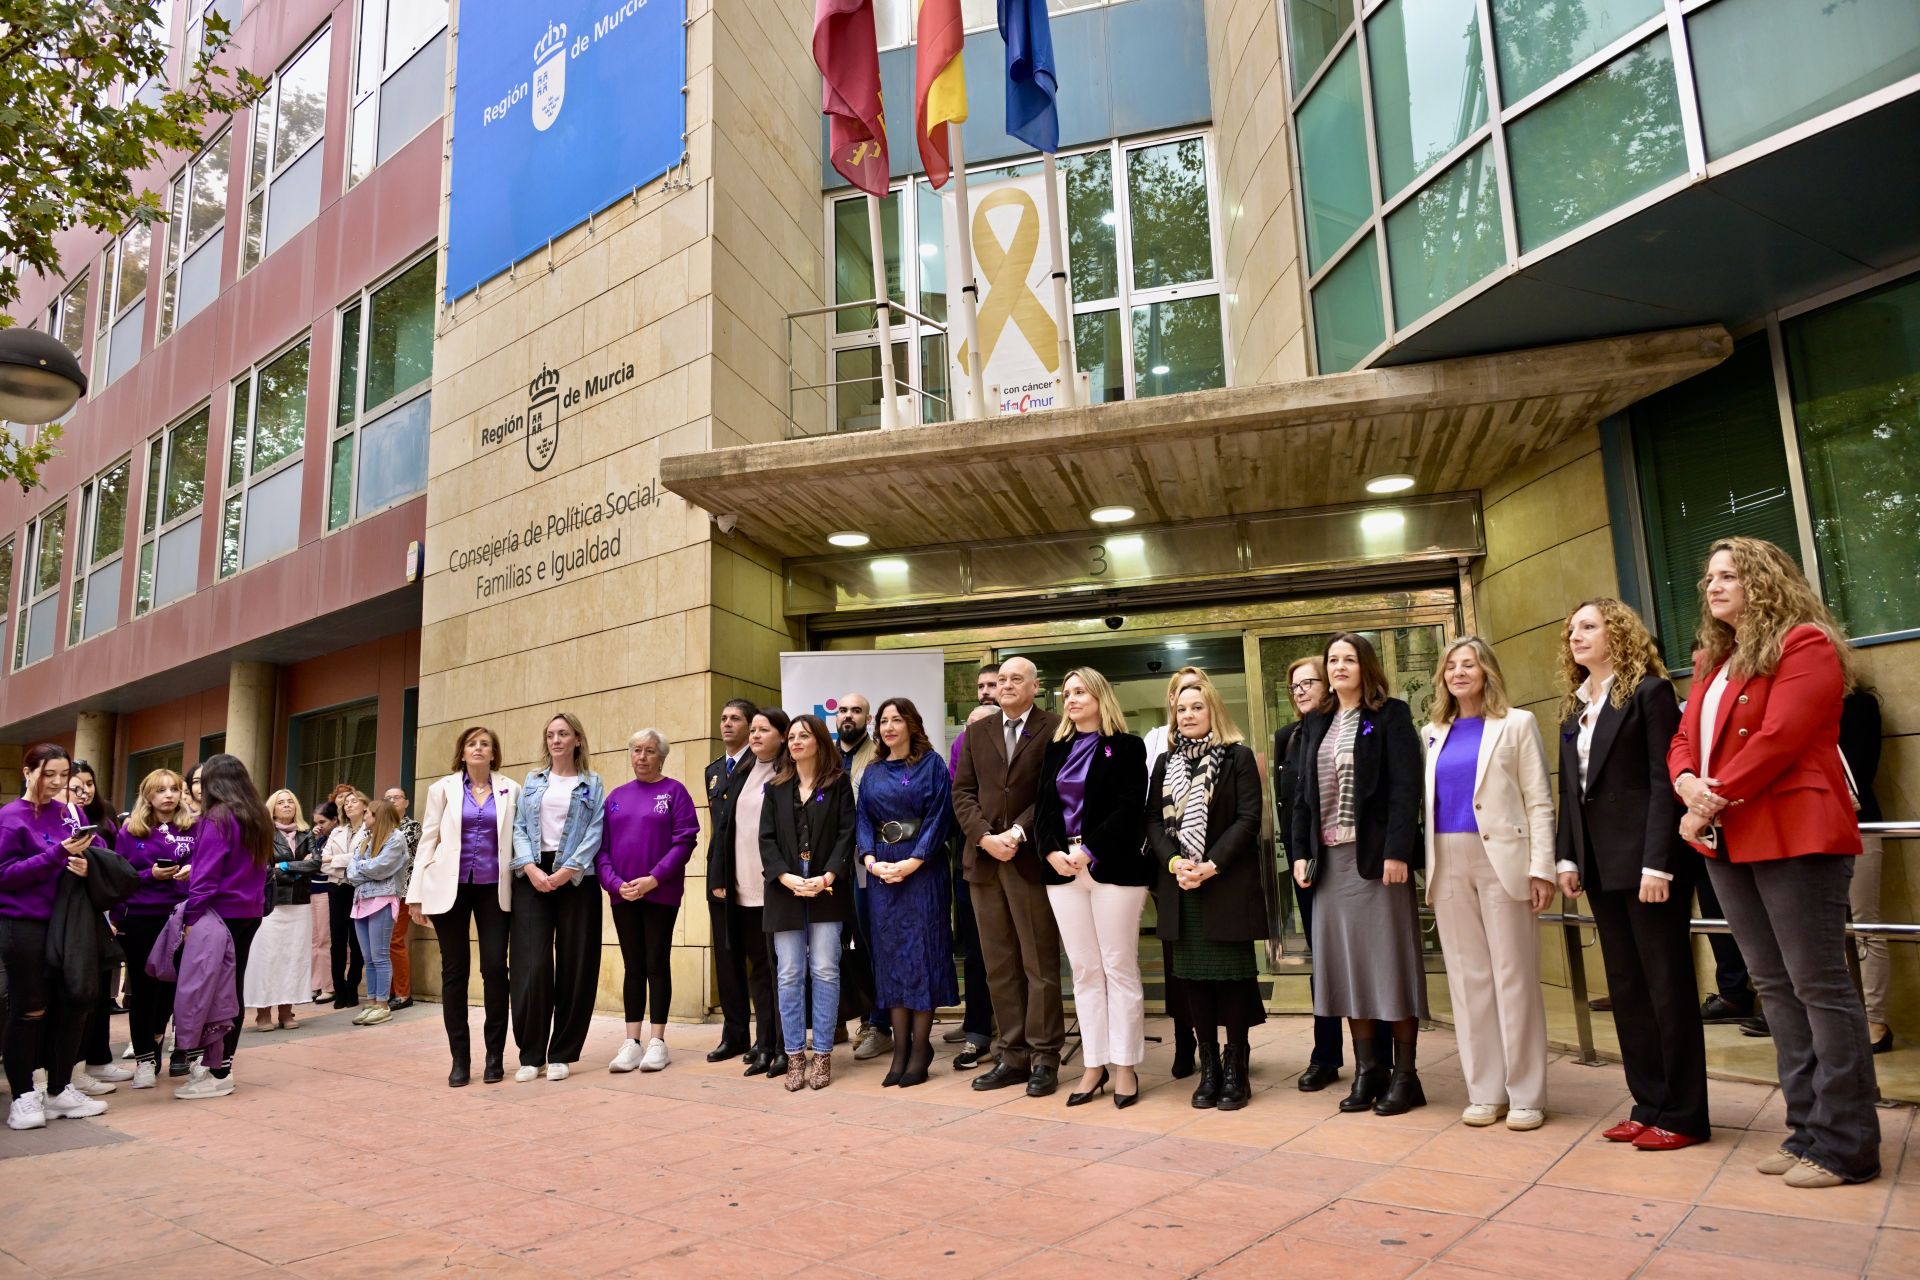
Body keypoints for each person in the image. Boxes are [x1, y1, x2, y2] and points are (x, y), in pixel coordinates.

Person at [1670, 536, 1877, 1188]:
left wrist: (1708, 801)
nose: (1714, 586)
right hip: (1731, 838)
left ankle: (1846, 1145)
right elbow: (1682, 740)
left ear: (1764, 579)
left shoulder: (1805, 643)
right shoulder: (1713, 659)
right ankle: (1805, 1131)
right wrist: (1685, 786)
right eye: (1709, 577)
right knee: (1774, 986)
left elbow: (1781, 736)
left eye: (1729, 574)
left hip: (1797, 831)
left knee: (1819, 986)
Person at [1555, 598, 1708, 1150]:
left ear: (1617, 633)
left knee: (1666, 986)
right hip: (1599, 868)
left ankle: (1685, 1114)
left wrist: (1657, 863)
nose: (1576, 636)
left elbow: (1662, 783)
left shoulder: (1650, 692)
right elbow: (1570, 791)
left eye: (1589, 626)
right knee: (1626, 988)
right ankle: (1647, 1103)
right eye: (1573, 628)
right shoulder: (1576, 707)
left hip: (1648, 866)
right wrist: (1568, 857)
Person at [1288, 632, 1427, 1117]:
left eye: (1349, 658)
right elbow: (1305, 797)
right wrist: (1302, 852)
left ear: (1365, 665)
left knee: (1389, 966)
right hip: (1331, 865)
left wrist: (1398, 851)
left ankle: (1406, 1075)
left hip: (1376, 864)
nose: (1340, 666)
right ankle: (1369, 1070)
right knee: (1348, 971)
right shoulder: (1316, 723)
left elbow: (1406, 787)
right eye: (1333, 659)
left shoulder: (1389, 714)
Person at [1422, 637, 1555, 1131]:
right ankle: (1484, 1091)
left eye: (1468, 664)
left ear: (1487, 672)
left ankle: (1526, 1095)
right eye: (1451, 666)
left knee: (1513, 977)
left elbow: (1538, 800)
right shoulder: (1431, 732)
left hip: (1503, 859)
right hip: (1447, 858)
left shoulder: (1517, 724)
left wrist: (1541, 866)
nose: (1458, 672)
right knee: (1467, 979)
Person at [1148, 670, 1267, 1110]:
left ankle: (1237, 1066)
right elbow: (1153, 822)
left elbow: (1248, 820)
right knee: (1193, 982)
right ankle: (1210, 1065)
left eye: (1197, 706)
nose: (1189, 714)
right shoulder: (1165, 763)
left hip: (1225, 883)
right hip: (1181, 885)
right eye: (1181, 709)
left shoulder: (1236, 756)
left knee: (1233, 982)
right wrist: (1177, 863)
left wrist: (1211, 865)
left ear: (1212, 709)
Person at [953, 656, 1066, 1097]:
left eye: (1016, 679)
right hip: (984, 862)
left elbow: (1053, 790)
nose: (1006, 685)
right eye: (1001, 680)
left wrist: (1017, 832)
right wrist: (984, 836)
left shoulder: (1055, 728)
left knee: (1039, 964)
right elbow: (961, 792)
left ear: (1035, 686)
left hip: (1027, 858)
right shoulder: (976, 732)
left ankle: (1044, 1057)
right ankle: (1012, 1055)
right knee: (999, 965)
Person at [1035, 668, 1148, 1108]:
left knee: (1118, 967)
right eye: (1066, 693)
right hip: (1061, 871)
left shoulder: (1125, 746)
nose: (1071, 699)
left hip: (1112, 869)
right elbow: (1043, 809)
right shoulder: (1056, 748)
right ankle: (1094, 1065)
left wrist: (1090, 850)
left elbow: (1129, 809)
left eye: (1080, 691)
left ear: (1101, 695)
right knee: (1084, 970)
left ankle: (1125, 1067)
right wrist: (1050, 852)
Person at [2, 745, 112, 1129]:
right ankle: (23, 1096)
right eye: (48, 774)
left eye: (63, 775)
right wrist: (58, 855)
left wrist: (87, 863)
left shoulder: (71, 813)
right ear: (28, 771)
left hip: (70, 922)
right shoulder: (10, 818)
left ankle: (59, 1089)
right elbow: (5, 876)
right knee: (30, 1009)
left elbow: (100, 854)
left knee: (74, 1002)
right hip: (24, 924)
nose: (57, 783)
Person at [407, 727, 519, 1087]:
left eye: (485, 744)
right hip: (448, 889)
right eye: (472, 743)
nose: (478, 748)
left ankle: (494, 1057)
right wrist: (415, 894)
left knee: (494, 970)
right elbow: (428, 839)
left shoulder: (510, 789)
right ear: (463, 752)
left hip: (493, 891)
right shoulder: (442, 789)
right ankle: (460, 1059)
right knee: (454, 973)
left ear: (493, 753)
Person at [860, 697, 958, 1088]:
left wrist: (914, 861)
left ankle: (920, 1049)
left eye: (896, 720)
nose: (888, 727)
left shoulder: (931, 765)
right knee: (891, 959)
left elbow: (940, 816)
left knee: (922, 956)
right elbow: (863, 818)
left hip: (923, 871)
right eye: (883, 721)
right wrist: (870, 860)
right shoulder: (873, 771)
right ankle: (899, 1050)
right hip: (883, 871)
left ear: (912, 724)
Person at [510, 712, 606, 1082]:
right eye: (550, 734)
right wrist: (531, 869)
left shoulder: (592, 783)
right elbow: (519, 826)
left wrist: (568, 870)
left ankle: (563, 1051)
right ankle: (531, 1054)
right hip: (532, 874)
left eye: (563, 734)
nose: (556, 740)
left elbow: (596, 830)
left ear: (577, 739)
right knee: (531, 965)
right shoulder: (532, 781)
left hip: (577, 878)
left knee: (575, 963)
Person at [762, 715, 856, 1090]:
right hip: (784, 888)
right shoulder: (776, 788)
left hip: (826, 888)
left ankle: (824, 1055)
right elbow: (766, 840)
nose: (796, 741)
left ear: (819, 740)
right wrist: (786, 877)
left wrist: (828, 876)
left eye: (804, 735)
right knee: (788, 973)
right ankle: (795, 1055)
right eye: (792, 737)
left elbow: (846, 835)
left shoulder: (838, 784)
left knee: (825, 969)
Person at [173, 753, 274, 1100]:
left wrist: (190, 918)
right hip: (249, 912)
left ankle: (218, 1071)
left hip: (219, 914)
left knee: (213, 990)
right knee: (232, 988)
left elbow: (205, 876)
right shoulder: (256, 815)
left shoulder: (217, 818)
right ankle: (221, 1065)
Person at [601, 729, 698, 1076]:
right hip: (623, 894)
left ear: (662, 757)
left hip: (660, 893)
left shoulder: (675, 793)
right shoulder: (615, 797)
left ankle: (657, 1041)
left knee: (656, 962)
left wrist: (654, 878)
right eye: (637, 751)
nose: (642, 757)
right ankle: (631, 1041)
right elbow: (603, 849)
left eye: (650, 751)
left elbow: (685, 842)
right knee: (633, 964)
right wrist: (615, 883)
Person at [1272, 657, 1344, 1092]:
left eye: (1308, 683)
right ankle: (1326, 1056)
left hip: (1349, 860)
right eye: (1294, 686)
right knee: (1323, 962)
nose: (1299, 691)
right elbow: (1289, 806)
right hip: (1309, 865)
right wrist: (1298, 855)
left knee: (1356, 961)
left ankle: (1380, 1055)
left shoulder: (1344, 728)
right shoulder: (1288, 737)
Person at [708, 708, 791, 1078]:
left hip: (774, 886)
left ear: (782, 735)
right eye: (753, 730)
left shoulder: (787, 772)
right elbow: (725, 829)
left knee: (777, 971)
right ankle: (764, 1044)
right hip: (741, 887)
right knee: (758, 971)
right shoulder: (741, 773)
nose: (755, 736)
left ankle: (780, 1046)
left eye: (763, 730)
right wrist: (721, 876)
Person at [115, 769, 195, 1087]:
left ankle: (163, 1042)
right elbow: (120, 876)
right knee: (145, 990)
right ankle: (145, 1060)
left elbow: (211, 865)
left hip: (181, 916)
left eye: (174, 789)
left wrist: (194, 870)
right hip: (142, 918)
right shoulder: (131, 831)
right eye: (161, 790)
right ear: (148, 795)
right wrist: (151, 875)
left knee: (173, 989)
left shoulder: (194, 828)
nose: (169, 795)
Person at [66, 761, 131, 1096]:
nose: (84, 791)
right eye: (76, 785)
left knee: (101, 992)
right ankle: (71, 1069)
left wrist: (117, 913)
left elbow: (115, 867)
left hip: (104, 916)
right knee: (79, 994)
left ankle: (98, 1059)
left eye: (88, 784)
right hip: (70, 918)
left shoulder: (104, 819)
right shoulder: (58, 820)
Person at [703, 698, 758, 1063]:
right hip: (719, 873)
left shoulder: (761, 766)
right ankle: (734, 1033)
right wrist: (717, 875)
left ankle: (766, 1037)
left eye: (735, 718)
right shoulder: (712, 770)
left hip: (752, 873)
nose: (727, 724)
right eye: (723, 718)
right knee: (727, 958)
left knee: (758, 958)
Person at [945, 701, 998, 1068]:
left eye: (985, 724)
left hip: (1019, 861)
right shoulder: (958, 767)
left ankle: (1020, 1035)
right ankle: (977, 1032)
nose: (974, 732)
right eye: (970, 726)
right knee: (977, 954)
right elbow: (956, 807)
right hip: (972, 866)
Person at [835, 693, 887, 1061]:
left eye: (856, 710)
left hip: (865, 866)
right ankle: (835, 1020)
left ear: (868, 719)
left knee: (869, 945)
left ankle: (876, 1023)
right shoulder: (824, 755)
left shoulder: (879, 756)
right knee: (830, 948)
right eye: (842, 711)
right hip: (826, 870)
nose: (848, 716)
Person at [1839, 688, 1891, 1054]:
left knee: (1865, 924)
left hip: (1857, 822)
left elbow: (1861, 769)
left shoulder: (1857, 702)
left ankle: (1875, 1019)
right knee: (1826, 930)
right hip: (1809, 828)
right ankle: (1843, 1018)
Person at [244, 790, 319, 1032]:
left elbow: (316, 864)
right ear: (272, 809)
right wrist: (298, 868)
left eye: (290, 802)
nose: (286, 806)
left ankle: (287, 1011)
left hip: (300, 904)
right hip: (271, 905)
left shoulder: (306, 834)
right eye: (281, 802)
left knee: (293, 958)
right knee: (267, 958)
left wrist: (284, 865)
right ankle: (263, 1012)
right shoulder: (264, 834)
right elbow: (263, 870)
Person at [346, 800, 410, 1027]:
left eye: (368, 814)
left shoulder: (396, 838)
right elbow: (350, 872)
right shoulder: (365, 840)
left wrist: (361, 867)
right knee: (368, 957)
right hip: (361, 900)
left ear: (378, 816)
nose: (364, 818)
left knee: (380, 955)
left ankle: (383, 1005)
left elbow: (380, 868)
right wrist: (364, 867)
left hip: (382, 900)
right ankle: (372, 1002)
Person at [323, 791, 367, 1010]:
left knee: (357, 941)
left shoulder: (371, 829)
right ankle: (339, 989)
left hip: (359, 888)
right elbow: (323, 863)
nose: (349, 805)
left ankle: (352, 988)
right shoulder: (337, 831)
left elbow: (365, 858)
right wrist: (342, 862)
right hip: (337, 887)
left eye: (354, 801)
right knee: (337, 941)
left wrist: (336, 859)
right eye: (346, 802)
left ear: (365, 805)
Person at [383, 787, 420, 1011]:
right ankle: (385, 991)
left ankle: (403, 993)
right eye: (387, 798)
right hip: (380, 892)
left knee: (395, 941)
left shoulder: (411, 827)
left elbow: (391, 852)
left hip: (403, 891)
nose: (392, 801)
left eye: (396, 797)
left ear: (406, 802)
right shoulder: (377, 828)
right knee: (382, 944)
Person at [307, 802, 336, 1003]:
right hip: (312, 890)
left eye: (323, 821)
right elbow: (307, 860)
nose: (319, 825)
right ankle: (315, 984)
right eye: (316, 822)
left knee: (325, 939)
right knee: (315, 940)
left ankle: (328, 985)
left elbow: (318, 862)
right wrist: (314, 837)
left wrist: (313, 859)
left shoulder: (335, 838)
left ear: (335, 820)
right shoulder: (318, 839)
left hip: (326, 890)